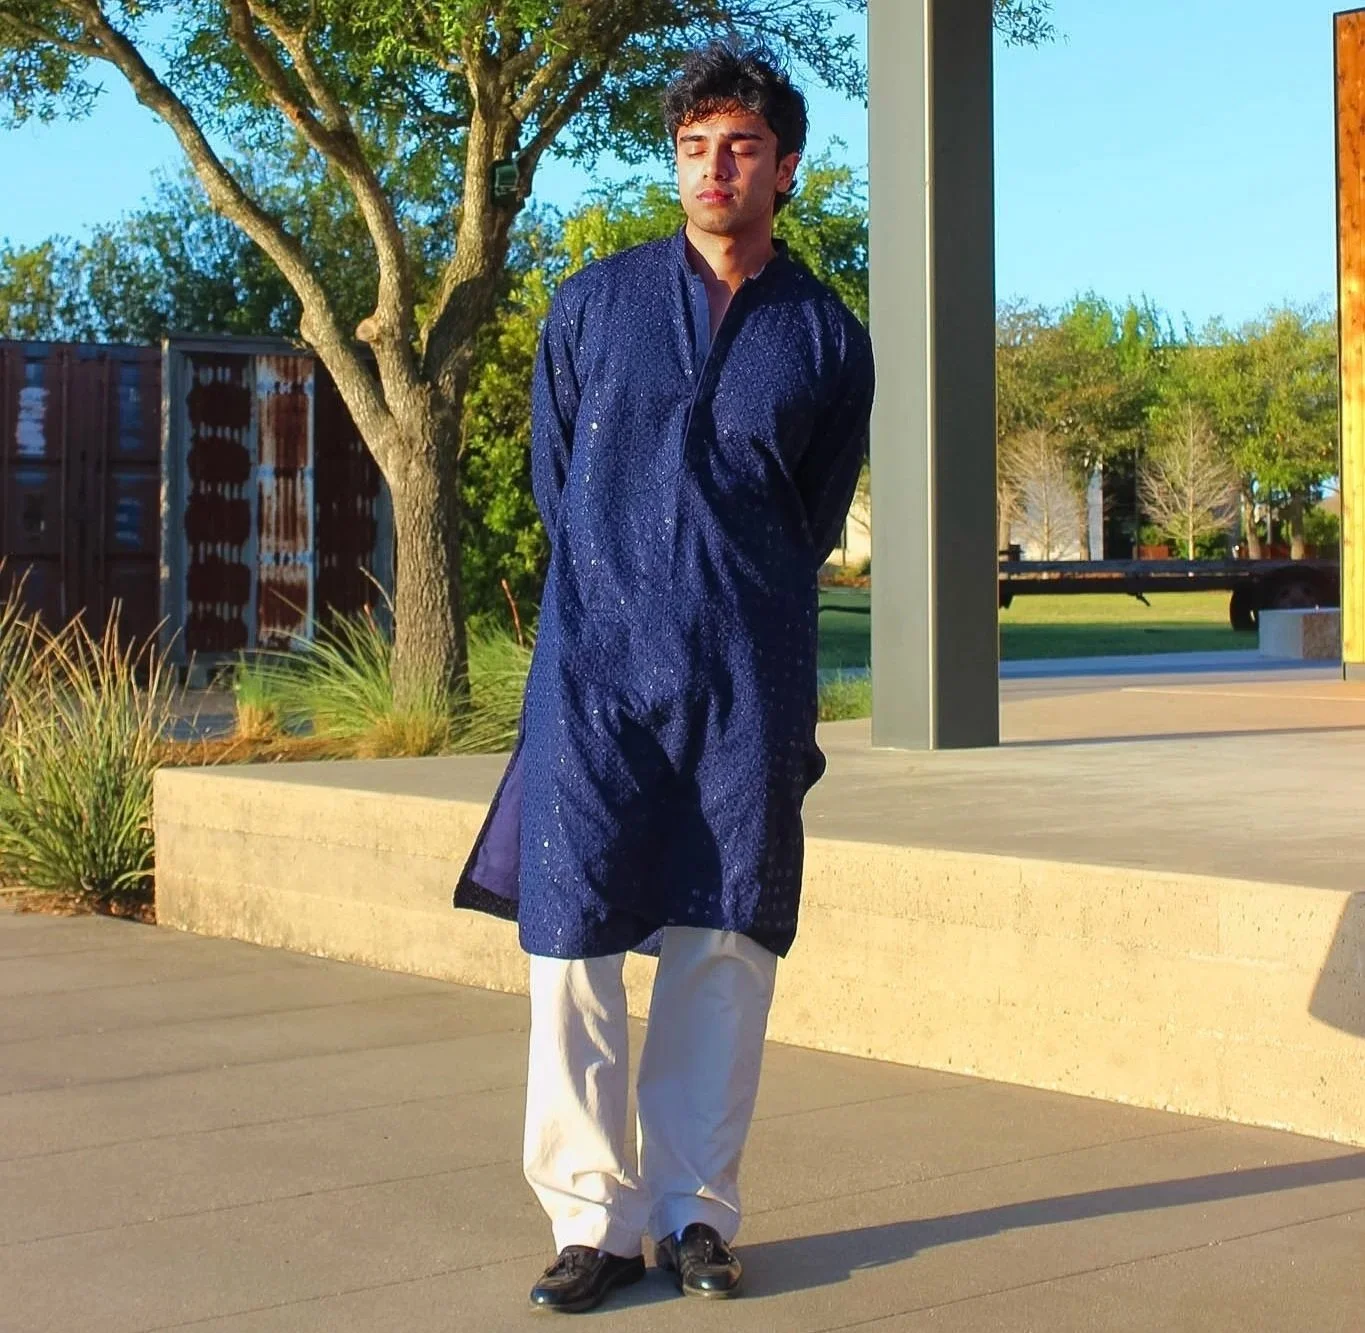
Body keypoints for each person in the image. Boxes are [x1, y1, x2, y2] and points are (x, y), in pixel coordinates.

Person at [454, 38, 875, 1315]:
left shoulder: (825, 336)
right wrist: (628, 584)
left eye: (740, 147)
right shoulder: (593, 305)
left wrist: (722, 600)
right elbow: (557, 482)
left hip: (745, 681)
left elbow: (809, 517)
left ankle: (695, 1212)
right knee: (571, 943)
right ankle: (592, 1221)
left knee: (723, 942)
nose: (713, 168)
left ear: (785, 167)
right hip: (594, 676)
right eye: (694, 148)